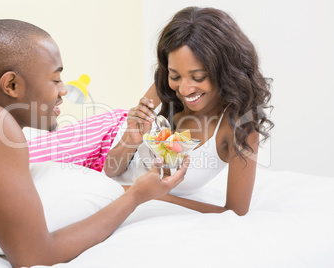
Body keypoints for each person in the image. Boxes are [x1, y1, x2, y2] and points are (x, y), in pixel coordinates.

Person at [0, 19, 190, 267]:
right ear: (11, 84)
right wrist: (136, 196)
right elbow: (35, 257)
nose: (64, 90)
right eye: (55, 80)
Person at [104, 7, 274, 216]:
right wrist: (131, 140)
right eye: (175, 76)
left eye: (198, 77)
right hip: (106, 192)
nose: (184, 90)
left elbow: (235, 212)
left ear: (225, 72)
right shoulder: (161, 91)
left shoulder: (239, 129)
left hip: (133, 205)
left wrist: (149, 195)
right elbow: (111, 170)